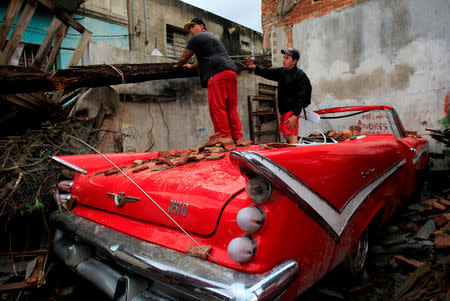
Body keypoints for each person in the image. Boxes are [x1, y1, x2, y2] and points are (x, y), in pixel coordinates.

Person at [174, 17, 251, 150]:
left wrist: (179, 65)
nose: (191, 30)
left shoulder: (196, 38)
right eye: (189, 28)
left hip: (217, 74)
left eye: (192, 26)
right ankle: (238, 138)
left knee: (218, 107)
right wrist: (192, 67)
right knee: (230, 108)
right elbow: (205, 58)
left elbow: (184, 56)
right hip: (231, 72)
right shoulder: (212, 38)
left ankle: (225, 138)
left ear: (202, 26)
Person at [246, 49, 312, 144]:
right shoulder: (282, 72)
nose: (284, 60)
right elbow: (268, 72)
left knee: (291, 136)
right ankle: (292, 156)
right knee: (286, 135)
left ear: (294, 61)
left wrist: (295, 115)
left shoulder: (300, 75)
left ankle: (296, 156)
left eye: (287, 58)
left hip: (291, 112)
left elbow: (302, 96)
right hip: (284, 111)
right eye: (284, 58)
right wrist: (255, 67)